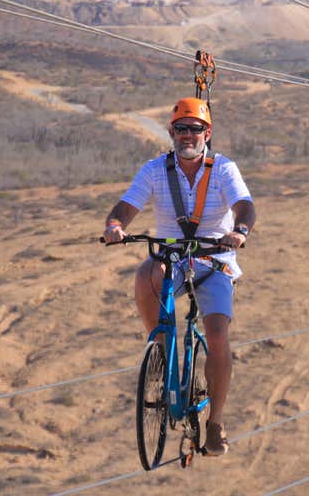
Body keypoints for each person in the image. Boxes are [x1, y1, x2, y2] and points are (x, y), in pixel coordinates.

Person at [102, 97, 256, 456]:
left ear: (208, 133)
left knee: (217, 335)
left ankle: (215, 422)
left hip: (213, 260)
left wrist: (241, 230)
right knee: (145, 275)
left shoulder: (224, 169)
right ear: (171, 132)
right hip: (170, 259)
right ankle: (159, 348)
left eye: (195, 129)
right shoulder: (155, 169)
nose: (188, 135)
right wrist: (115, 225)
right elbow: (128, 205)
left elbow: (244, 204)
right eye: (181, 129)